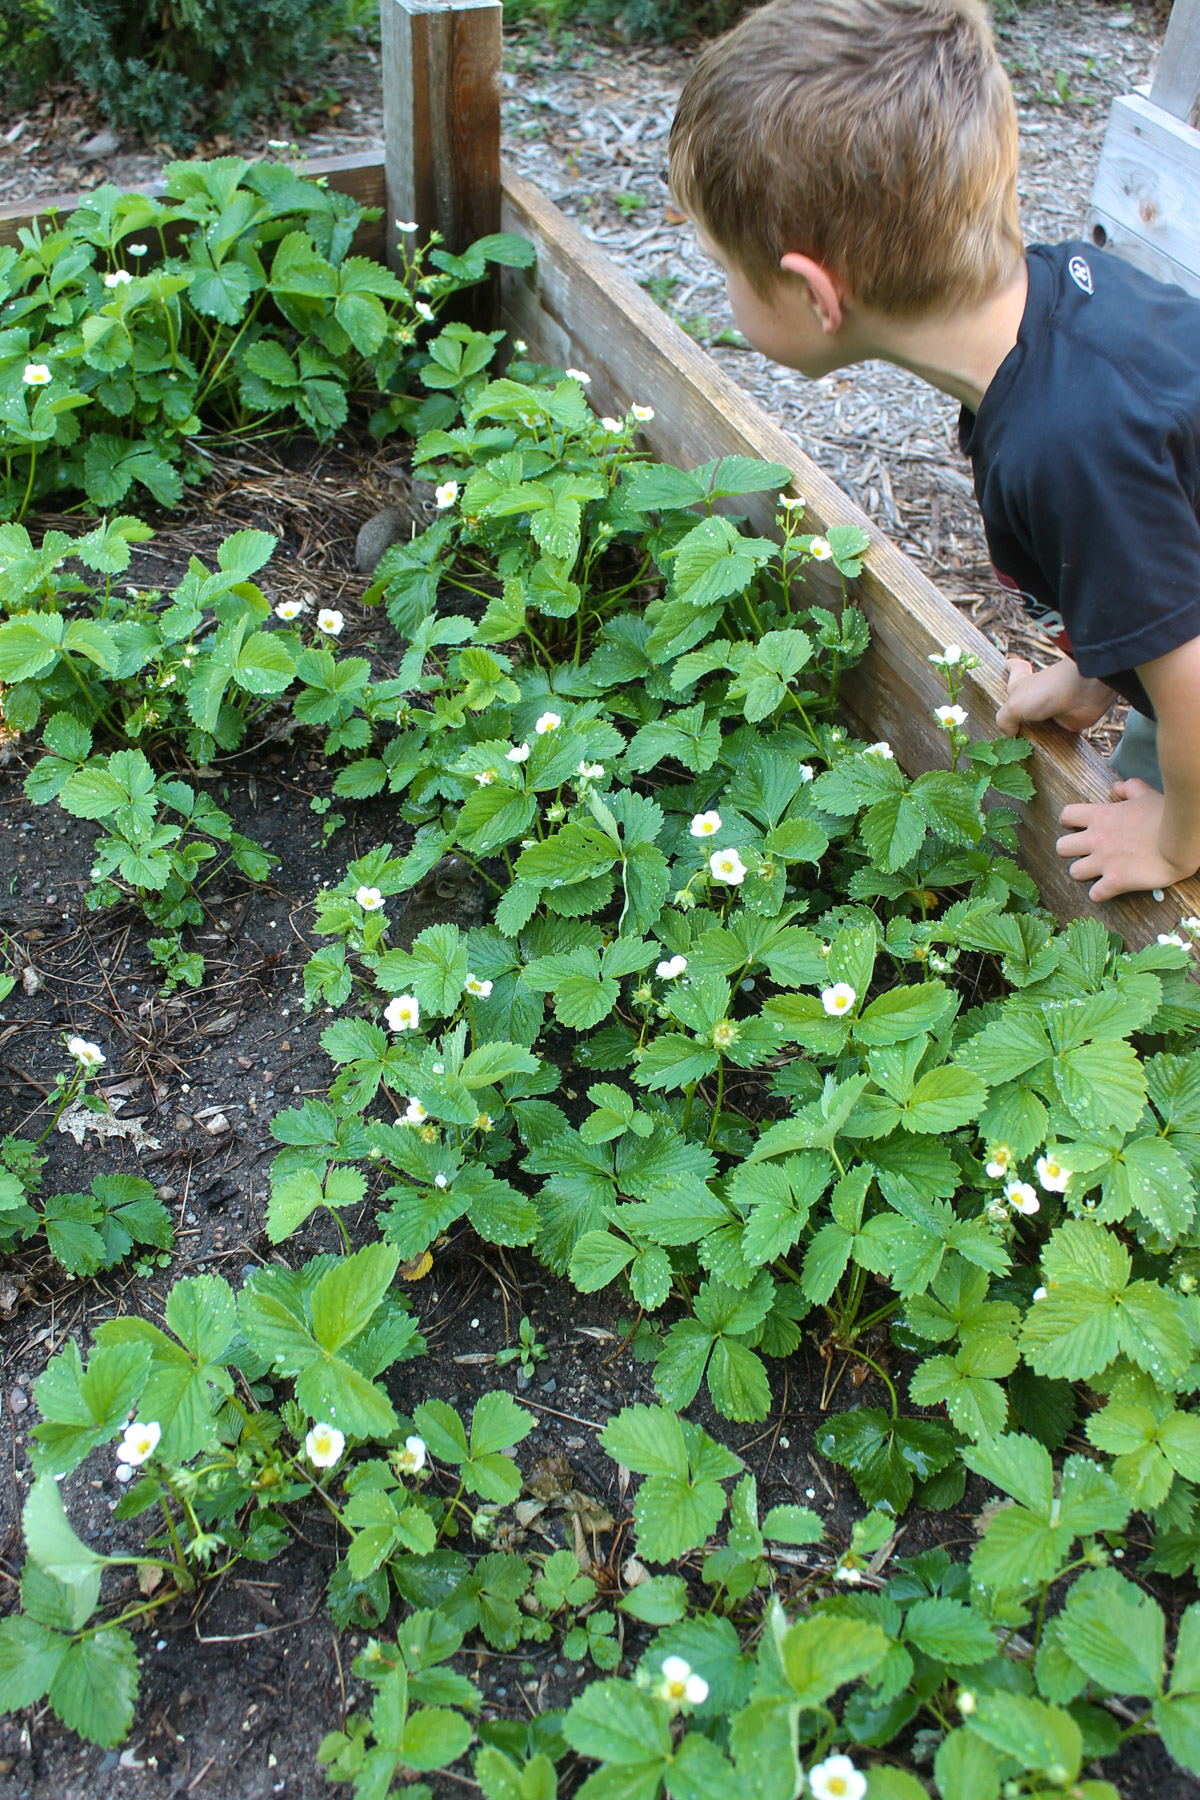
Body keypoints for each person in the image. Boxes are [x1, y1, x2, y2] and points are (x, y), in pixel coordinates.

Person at [667, 0, 1200, 902]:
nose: (723, 287)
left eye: (724, 266)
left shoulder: (1066, 442)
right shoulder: (1065, 304)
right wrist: (1102, 667)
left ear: (812, 293)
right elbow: (1169, 525)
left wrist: (1178, 841)